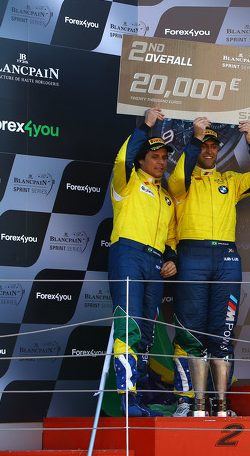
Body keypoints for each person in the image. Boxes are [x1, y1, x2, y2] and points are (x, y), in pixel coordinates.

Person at [169, 117, 250, 417]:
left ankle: (220, 403)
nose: (209, 151)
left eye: (213, 146)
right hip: (192, 256)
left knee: (222, 333)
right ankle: (187, 401)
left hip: (226, 257)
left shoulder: (230, 180)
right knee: (190, 333)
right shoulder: (182, 182)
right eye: (205, 146)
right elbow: (176, 181)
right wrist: (195, 140)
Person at [108, 107, 177, 417]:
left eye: (164, 157)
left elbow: (171, 237)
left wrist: (172, 258)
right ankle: (126, 399)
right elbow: (122, 159)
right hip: (128, 255)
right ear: (141, 160)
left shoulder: (166, 197)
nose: (161, 162)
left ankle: (142, 394)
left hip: (154, 263)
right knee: (130, 326)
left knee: (147, 332)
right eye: (155, 157)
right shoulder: (127, 183)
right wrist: (145, 126)